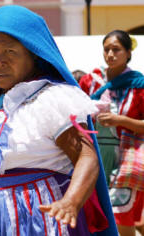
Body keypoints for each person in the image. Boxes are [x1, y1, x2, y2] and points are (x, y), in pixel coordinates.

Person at [0, 5, 118, 236]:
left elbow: (86, 156)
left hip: (32, 221)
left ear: (33, 54)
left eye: (10, 52)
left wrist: (71, 201)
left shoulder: (49, 99)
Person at [79, 30, 144, 236]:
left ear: (128, 53)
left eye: (116, 49)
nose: (110, 54)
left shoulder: (139, 86)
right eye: (106, 49)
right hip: (94, 158)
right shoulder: (90, 81)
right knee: (94, 217)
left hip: (125, 160)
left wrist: (120, 120)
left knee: (121, 216)